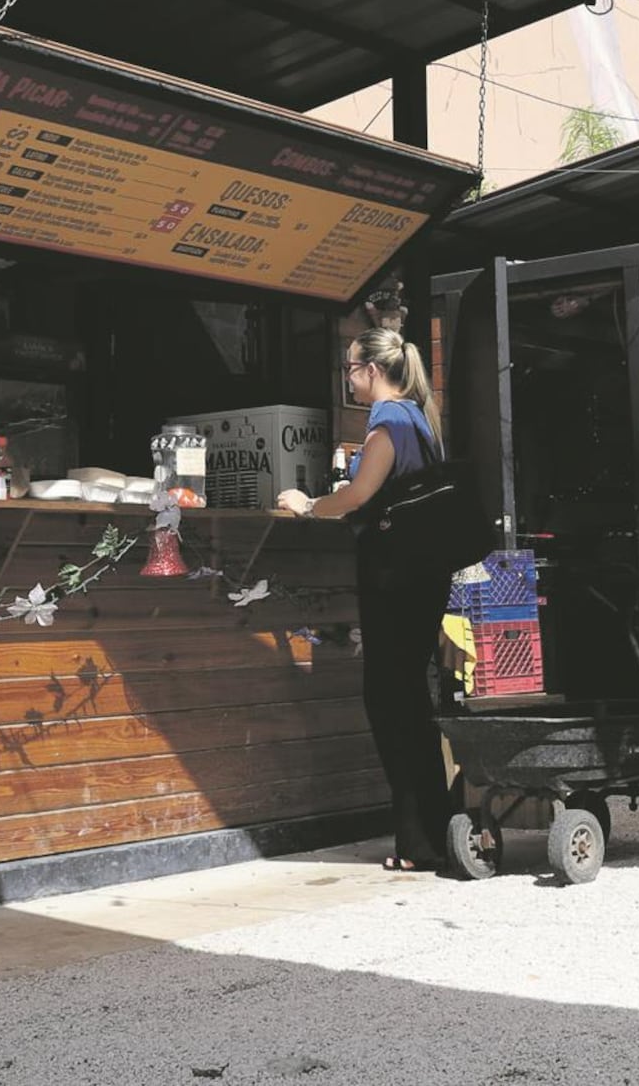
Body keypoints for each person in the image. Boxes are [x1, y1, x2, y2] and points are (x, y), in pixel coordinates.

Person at [276, 328, 456, 873]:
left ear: (372, 371)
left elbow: (359, 495)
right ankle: (432, 834)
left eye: (350, 370)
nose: (348, 380)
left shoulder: (389, 422)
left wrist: (308, 505)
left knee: (391, 703)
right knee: (410, 703)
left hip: (395, 581)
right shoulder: (420, 419)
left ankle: (420, 842)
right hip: (421, 577)